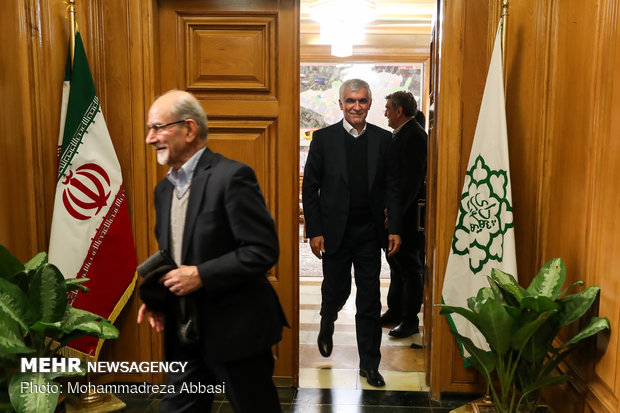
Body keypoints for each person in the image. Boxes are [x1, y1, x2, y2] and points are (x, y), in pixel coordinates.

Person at [137, 90, 287, 412]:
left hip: (237, 332)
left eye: (158, 128)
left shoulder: (232, 176)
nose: (150, 139)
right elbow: (173, 256)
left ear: (189, 129)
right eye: (148, 129)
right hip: (184, 333)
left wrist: (201, 275)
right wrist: (158, 300)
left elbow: (263, 250)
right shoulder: (163, 190)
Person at [302, 79, 402, 387]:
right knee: (337, 290)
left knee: (369, 301)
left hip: (370, 234)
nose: (356, 106)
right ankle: (327, 319)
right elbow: (310, 187)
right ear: (341, 104)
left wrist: (395, 227)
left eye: (361, 101)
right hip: (334, 232)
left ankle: (369, 364)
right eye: (350, 101)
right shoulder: (324, 139)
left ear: (370, 103)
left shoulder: (385, 140)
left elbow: (392, 186)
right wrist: (315, 230)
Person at [380, 91, 427, 341]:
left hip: (409, 217)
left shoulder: (415, 136)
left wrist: (394, 213)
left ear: (399, 111)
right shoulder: (402, 135)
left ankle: (410, 320)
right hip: (399, 213)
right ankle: (395, 311)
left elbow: (410, 182)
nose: (385, 112)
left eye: (388, 108)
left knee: (410, 268)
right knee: (396, 265)